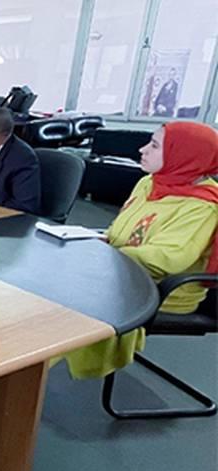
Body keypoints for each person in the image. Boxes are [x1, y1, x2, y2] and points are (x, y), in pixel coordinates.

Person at [61, 122, 218, 379]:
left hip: (162, 290)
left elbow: (168, 260)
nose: (142, 149)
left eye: (155, 145)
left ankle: (24, 372)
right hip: (121, 272)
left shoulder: (202, 207)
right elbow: (120, 230)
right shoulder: (150, 182)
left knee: (63, 300)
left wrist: (103, 254)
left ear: (184, 155)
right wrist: (101, 242)